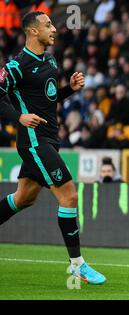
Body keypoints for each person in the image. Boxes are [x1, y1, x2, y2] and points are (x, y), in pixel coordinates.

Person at [0, 12, 105, 284]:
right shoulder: (16, 66)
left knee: (23, 198)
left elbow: (47, 98)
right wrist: (18, 118)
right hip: (34, 141)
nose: (54, 29)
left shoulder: (49, 59)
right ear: (32, 31)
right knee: (69, 196)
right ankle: (77, 265)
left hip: (49, 138)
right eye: (48, 25)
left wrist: (68, 90)